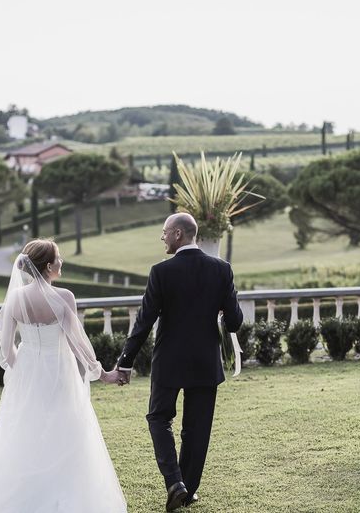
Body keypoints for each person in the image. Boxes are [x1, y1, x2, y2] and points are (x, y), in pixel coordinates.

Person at [0, 239, 127, 513]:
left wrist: (25, 372)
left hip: (29, 373)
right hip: (59, 372)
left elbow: (6, 353)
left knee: (27, 432)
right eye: (59, 258)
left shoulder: (15, 298)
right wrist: (101, 374)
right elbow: (78, 344)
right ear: (49, 266)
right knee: (65, 429)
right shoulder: (64, 297)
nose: (62, 262)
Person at [115, 213, 243, 511]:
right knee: (197, 429)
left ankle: (175, 483)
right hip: (205, 362)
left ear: (177, 235)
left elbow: (144, 322)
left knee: (159, 418)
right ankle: (188, 488)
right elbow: (235, 322)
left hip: (169, 361)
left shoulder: (161, 272)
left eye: (164, 232)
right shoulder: (222, 270)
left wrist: (125, 362)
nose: (162, 238)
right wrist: (224, 310)